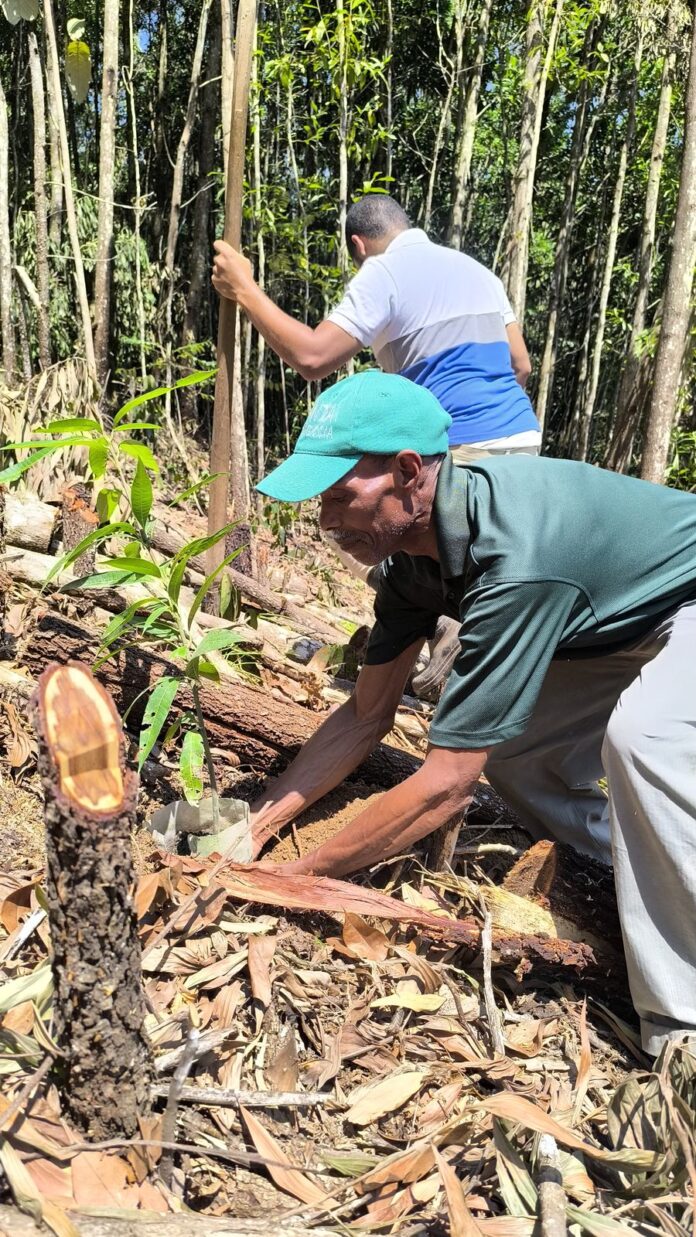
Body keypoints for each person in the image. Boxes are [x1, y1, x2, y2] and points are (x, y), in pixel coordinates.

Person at [249, 369, 696, 1057]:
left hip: (681, 599)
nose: (326, 521)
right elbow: (364, 715)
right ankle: (640, 873)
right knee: (518, 752)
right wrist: (258, 828)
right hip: (621, 616)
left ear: (407, 473)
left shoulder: (514, 556)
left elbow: (447, 784)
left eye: (341, 496)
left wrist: (294, 877)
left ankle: (681, 1033)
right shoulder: (412, 567)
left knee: (645, 739)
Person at [212, 196, 541, 695]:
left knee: (368, 531)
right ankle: (455, 651)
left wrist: (245, 289)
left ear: (358, 245)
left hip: (457, 449)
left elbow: (313, 355)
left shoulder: (383, 273)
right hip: (520, 438)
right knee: (480, 558)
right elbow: (520, 365)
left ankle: (440, 647)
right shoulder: (476, 271)